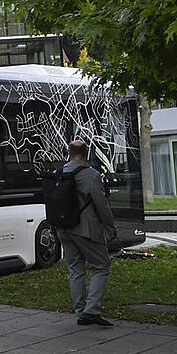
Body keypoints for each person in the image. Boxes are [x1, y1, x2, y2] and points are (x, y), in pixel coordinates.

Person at [58, 139, 117, 327]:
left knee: (75, 269)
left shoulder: (59, 173)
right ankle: (91, 311)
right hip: (86, 229)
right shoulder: (92, 176)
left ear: (69, 153)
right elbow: (102, 205)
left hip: (63, 229)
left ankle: (80, 310)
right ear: (86, 154)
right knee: (101, 266)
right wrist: (110, 227)